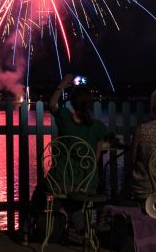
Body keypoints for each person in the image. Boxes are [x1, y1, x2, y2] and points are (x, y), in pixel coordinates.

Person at [27, 74, 108, 241]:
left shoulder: (64, 118)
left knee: (40, 193)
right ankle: (83, 230)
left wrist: (60, 87)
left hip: (61, 180)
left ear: (72, 103)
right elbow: (98, 153)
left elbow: (51, 104)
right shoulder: (98, 127)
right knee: (74, 201)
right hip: (88, 183)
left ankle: (26, 229)